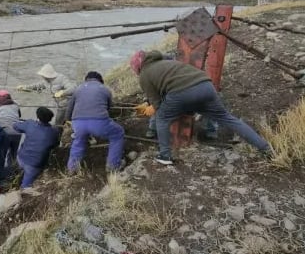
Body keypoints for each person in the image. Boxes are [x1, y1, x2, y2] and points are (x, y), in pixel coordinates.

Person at [130, 50, 271, 165]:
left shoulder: (144, 75)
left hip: (182, 92)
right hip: (205, 86)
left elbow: (158, 104)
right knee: (227, 118)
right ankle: (265, 148)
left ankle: (164, 156)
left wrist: (150, 109)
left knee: (161, 118)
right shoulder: (166, 61)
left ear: (137, 68)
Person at [65, 71, 125, 172]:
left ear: (86, 80)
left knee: (78, 141)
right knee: (118, 133)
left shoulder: (78, 89)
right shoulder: (105, 89)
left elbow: (69, 109)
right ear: (100, 81)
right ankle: (113, 166)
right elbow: (110, 107)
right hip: (99, 122)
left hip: (78, 123)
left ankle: (72, 168)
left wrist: (67, 120)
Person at [13, 107, 60, 189]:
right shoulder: (54, 131)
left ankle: (18, 175)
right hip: (35, 165)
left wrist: (26, 124)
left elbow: (15, 126)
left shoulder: (30, 124)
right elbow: (55, 145)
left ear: (37, 117)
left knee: (24, 139)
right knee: (25, 187)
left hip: (21, 158)